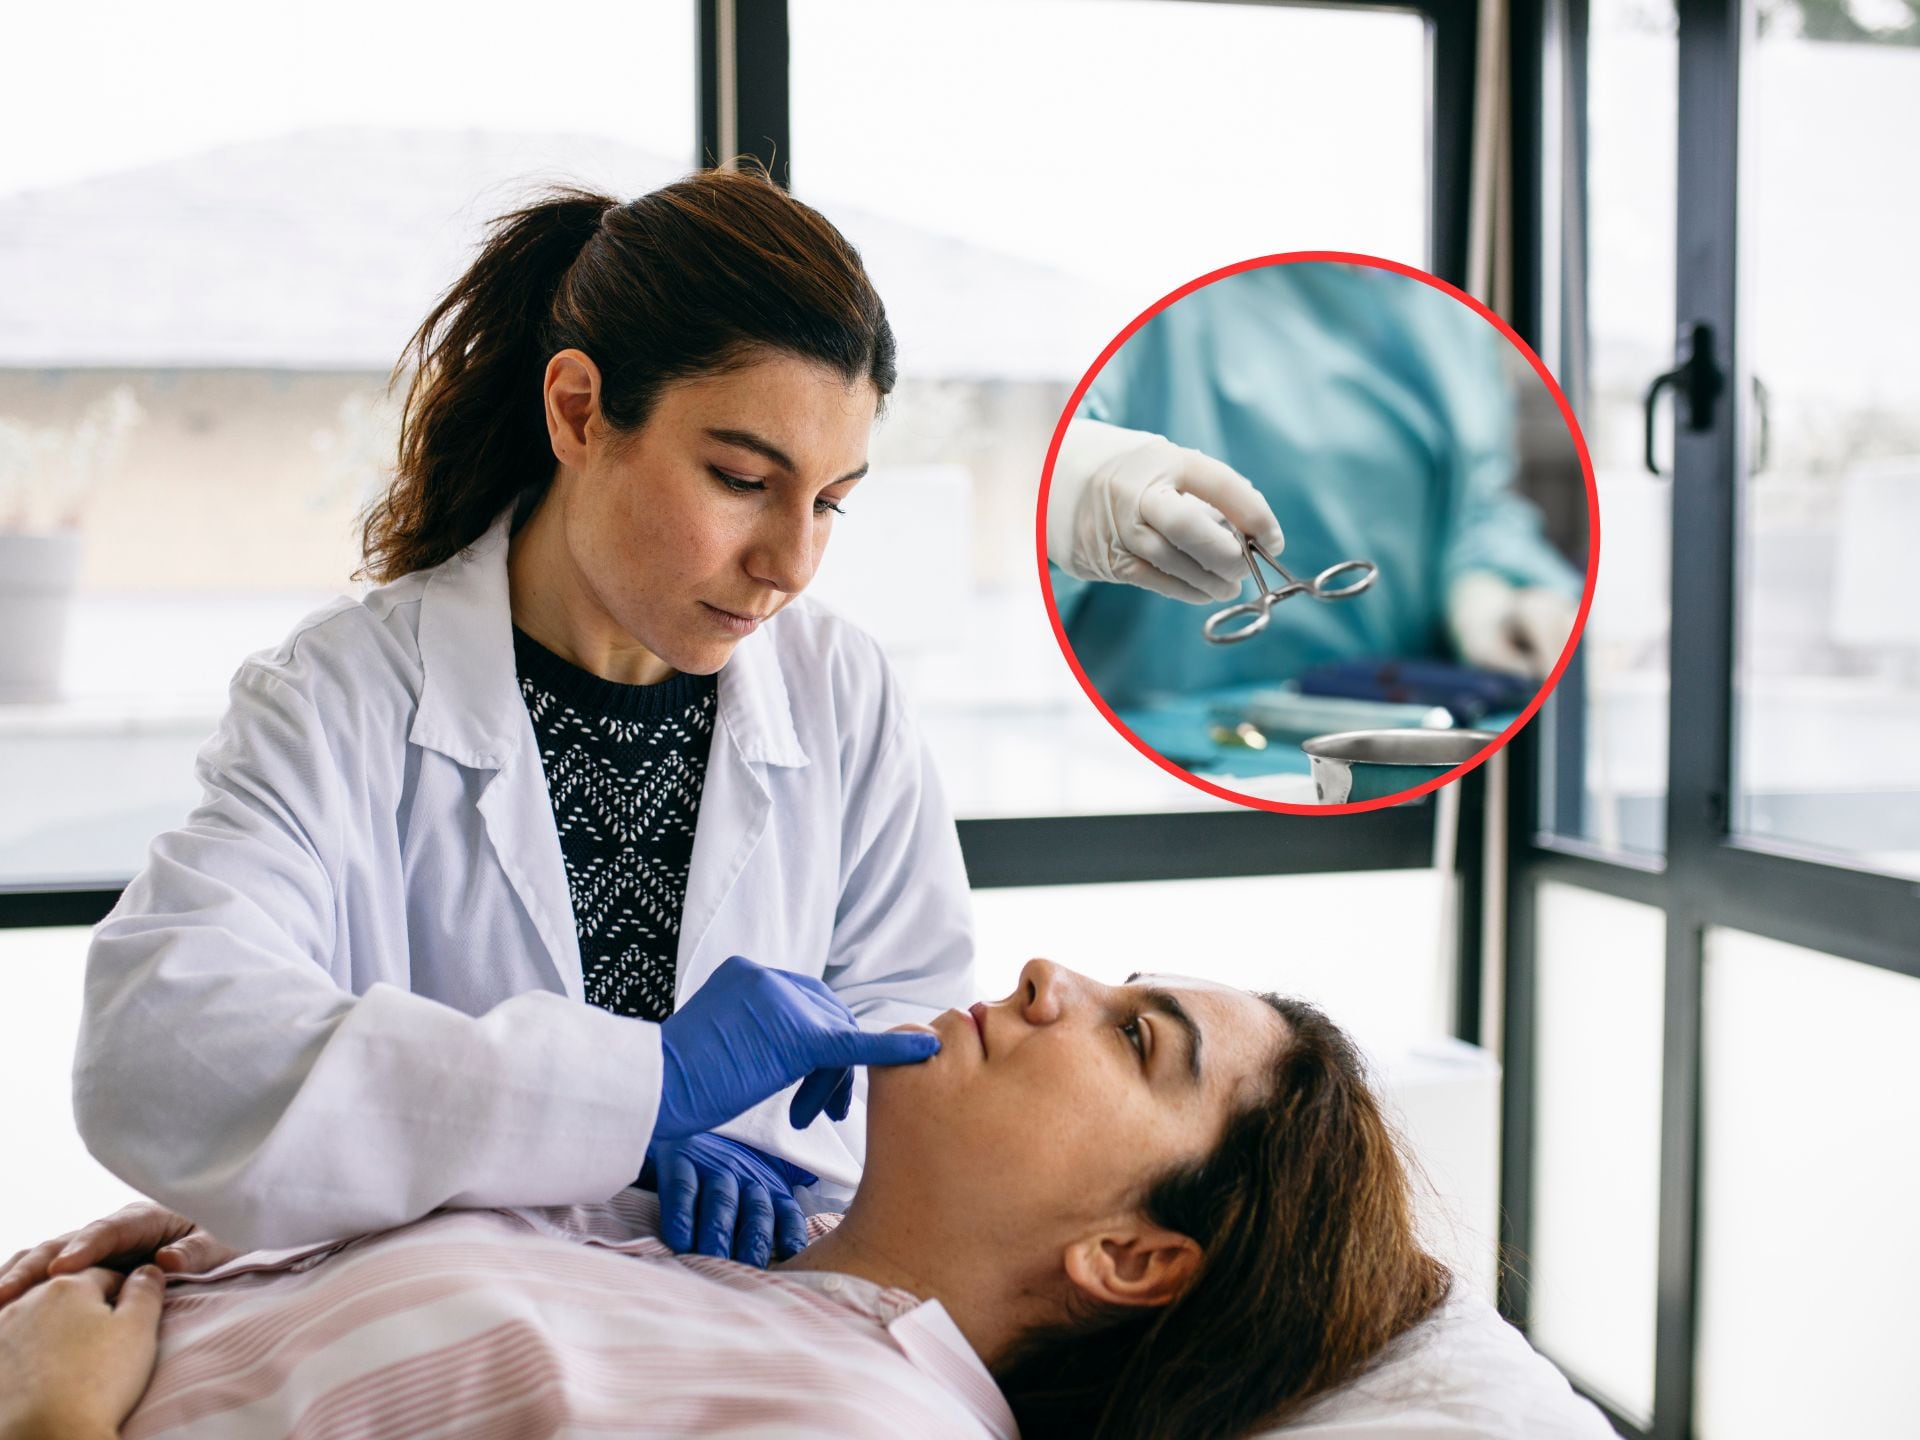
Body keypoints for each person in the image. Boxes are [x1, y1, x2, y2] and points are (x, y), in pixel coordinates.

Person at [55, 166, 975, 1272]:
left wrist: (770, 1149)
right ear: (578, 411)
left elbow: (915, 1045)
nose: (791, 564)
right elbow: (159, 1044)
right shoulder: (343, 697)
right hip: (442, 1328)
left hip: (745, 1319)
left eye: (829, 503)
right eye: (741, 479)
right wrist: (631, 1106)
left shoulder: (844, 696)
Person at [0, 961, 1450, 1440]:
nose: (1046, 976)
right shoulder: (728, 1246)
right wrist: (223, 1243)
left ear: (1130, 1256)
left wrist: (56, 1417)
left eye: (1135, 1037)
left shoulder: (866, 1427)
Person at [1045, 260, 1583, 708]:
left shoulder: (1446, 313)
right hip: (1167, 735)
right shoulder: (1165, 307)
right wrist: (1071, 502)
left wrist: (1488, 591)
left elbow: (1477, 503)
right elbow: (1065, 475)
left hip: (1394, 720)